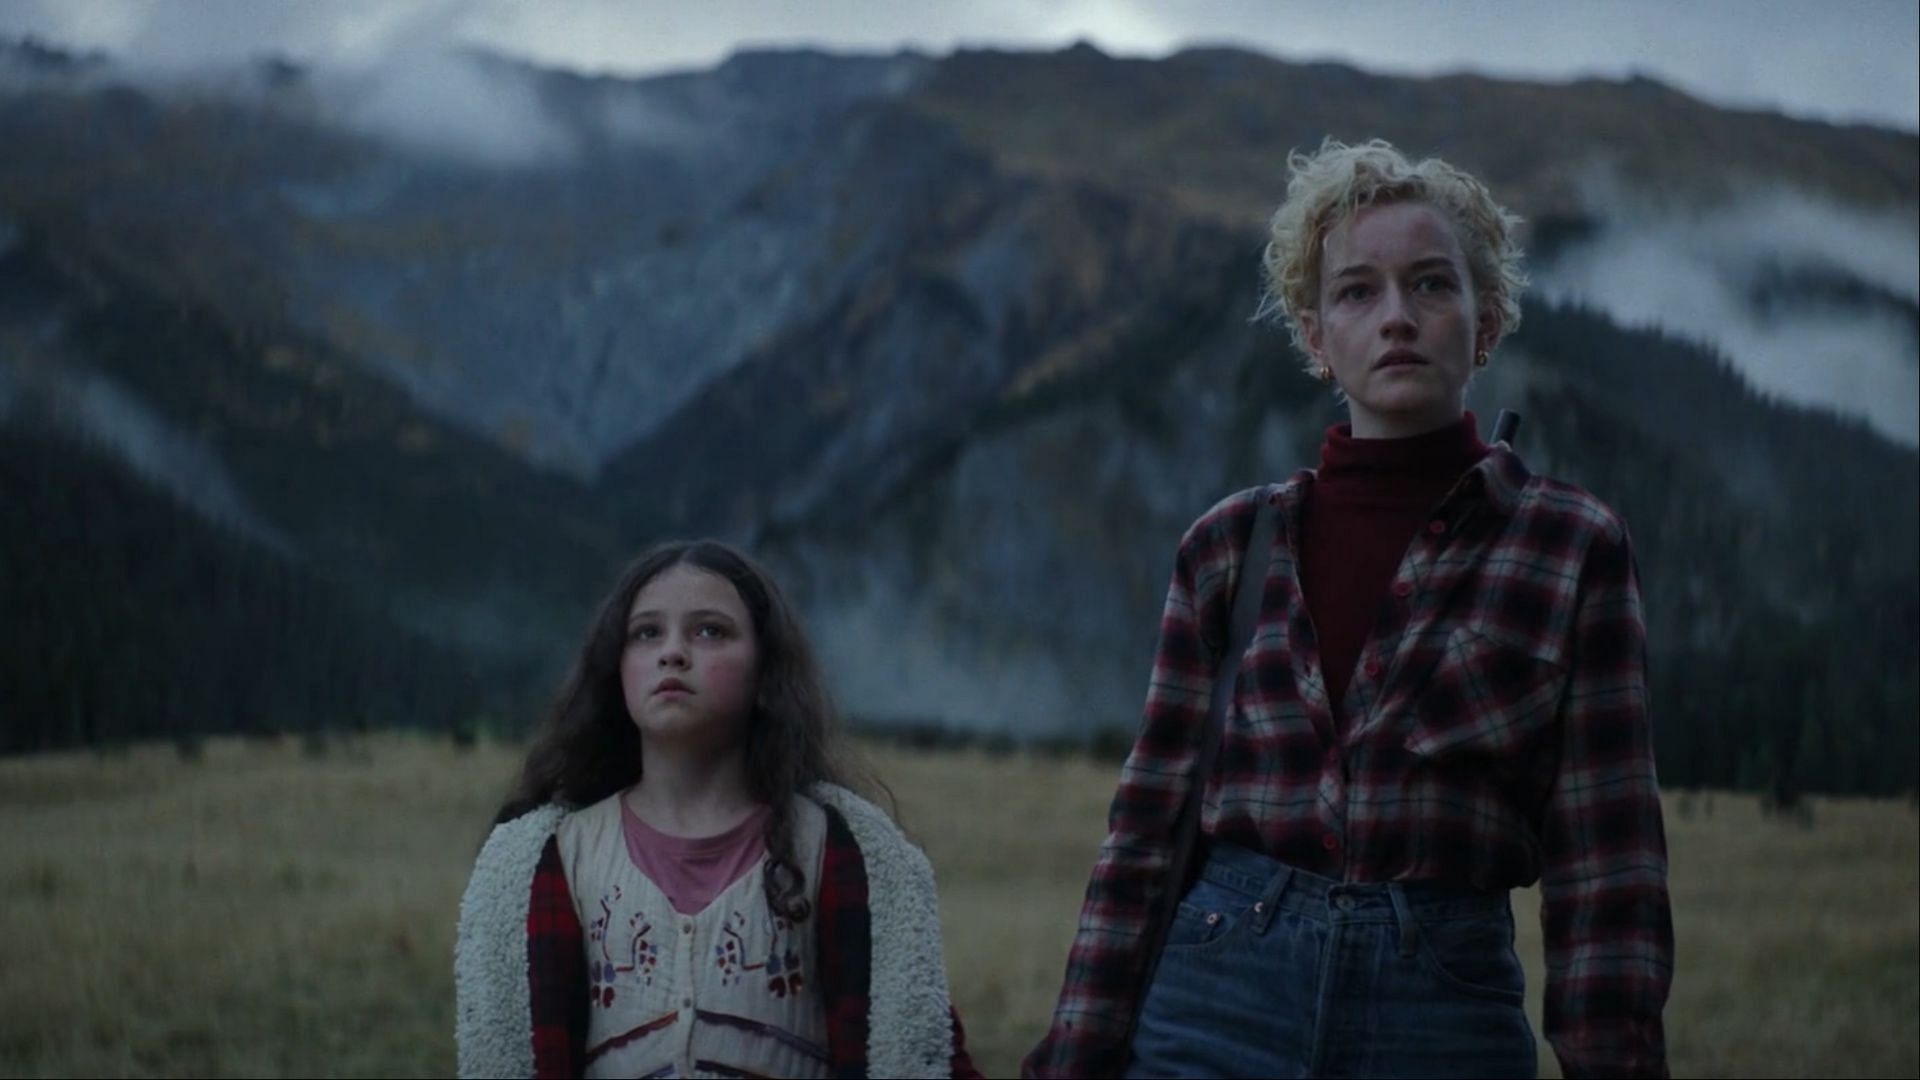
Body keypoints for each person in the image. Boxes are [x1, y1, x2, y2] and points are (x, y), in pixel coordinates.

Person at [1024, 139, 1673, 1079]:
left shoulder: (1570, 546)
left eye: (1431, 286)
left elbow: (1609, 866)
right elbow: (1148, 828)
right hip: (1218, 995)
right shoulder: (1230, 546)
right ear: (1315, 335)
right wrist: (1075, 1056)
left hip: (1442, 1011)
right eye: (1358, 291)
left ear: (1485, 322)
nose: (1397, 317)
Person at [456, 539, 980, 1079]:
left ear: (764, 674)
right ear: (618, 670)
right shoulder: (555, 858)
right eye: (647, 633)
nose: (673, 652)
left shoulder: (841, 849)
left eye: (710, 631)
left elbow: (914, 1045)